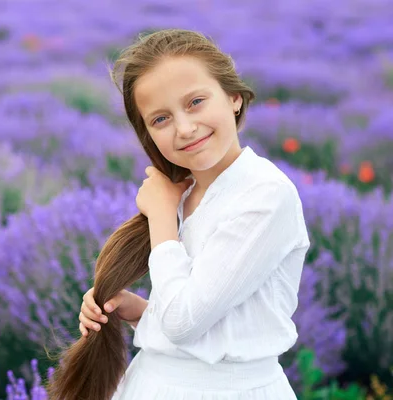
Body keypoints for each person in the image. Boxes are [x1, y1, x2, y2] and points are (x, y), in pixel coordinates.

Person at [47, 29, 311, 400]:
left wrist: (160, 217)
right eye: (160, 119)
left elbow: (183, 323)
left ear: (234, 97)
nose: (185, 128)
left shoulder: (265, 194)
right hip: (152, 381)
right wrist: (138, 310)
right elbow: (199, 312)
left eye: (196, 102)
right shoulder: (183, 191)